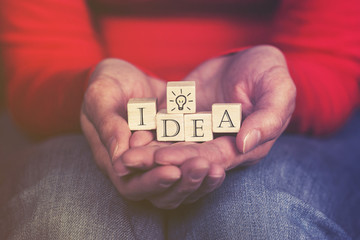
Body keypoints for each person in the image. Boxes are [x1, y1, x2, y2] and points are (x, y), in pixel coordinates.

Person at [0, 0, 359, 239]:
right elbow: (39, 51)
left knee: (259, 220)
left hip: (276, 107)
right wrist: (87, 87)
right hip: (83, 100)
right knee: (65, 218)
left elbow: (328, 56)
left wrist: (279, 90)